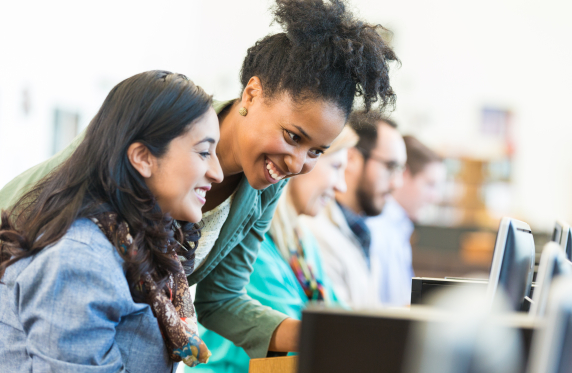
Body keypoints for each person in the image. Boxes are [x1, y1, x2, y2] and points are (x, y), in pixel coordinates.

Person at [0, 0, 398, 360]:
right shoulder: (161, 127)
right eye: (293, 137)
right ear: (252, 95)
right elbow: (51, 238)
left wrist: (328, 335)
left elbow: (221, 298)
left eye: (316, 152)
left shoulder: (265, 185)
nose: (297, 164)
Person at [0, 71, 223, 372]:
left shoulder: (134, 242)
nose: (218, 173)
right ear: (143, 157)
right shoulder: (82, 260)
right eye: (204, 152)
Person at [189, 126, 358, 373]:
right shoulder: (254, 246)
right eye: (335, 167)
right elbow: (301, 339)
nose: (342, 186)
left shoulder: (301, 242)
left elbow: (338, 316)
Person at [302, 110, 406, 308]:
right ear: (352, 158)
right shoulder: (316, 231)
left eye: (400, 170)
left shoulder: (361, 229)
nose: (397, 183)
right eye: (391, 167)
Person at [366, 135, 445, 306]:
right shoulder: (378, 228)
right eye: (430, 184)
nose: (435, 197)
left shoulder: (399, 227)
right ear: (404, 174)